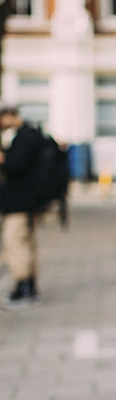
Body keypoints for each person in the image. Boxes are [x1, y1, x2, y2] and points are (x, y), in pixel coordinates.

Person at [0, 104, 42, 310]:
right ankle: (29, 286)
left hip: (19, 201)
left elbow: (17, 165)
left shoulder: (23, 137)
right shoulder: (28, 135)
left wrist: (4, 159)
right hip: (26, 201)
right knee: (24, 242)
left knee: (15, 242)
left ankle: (24, 286)